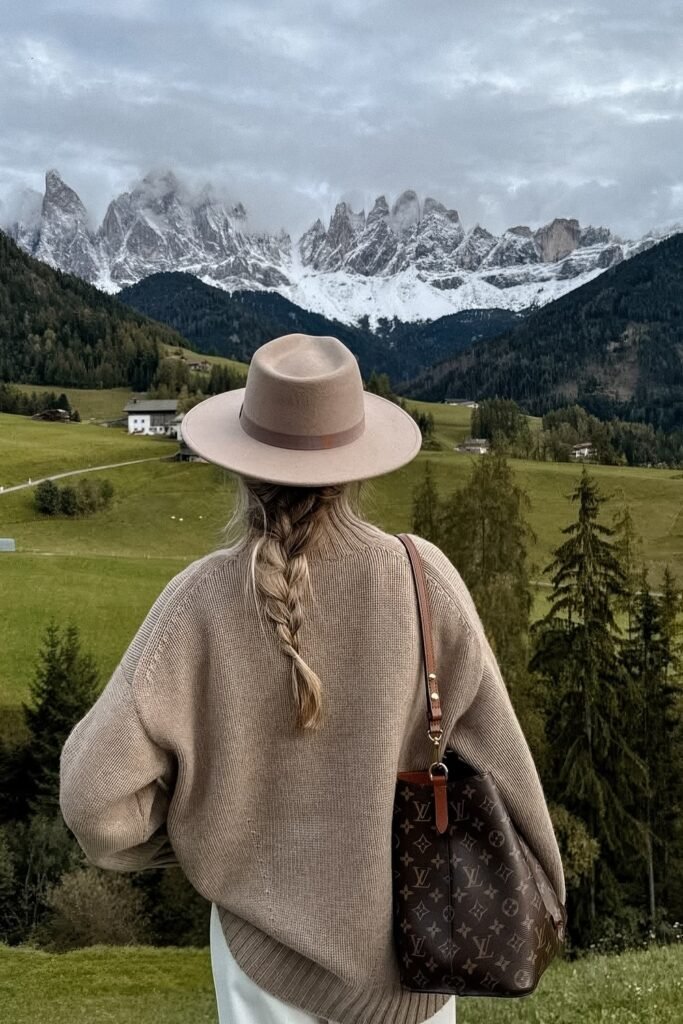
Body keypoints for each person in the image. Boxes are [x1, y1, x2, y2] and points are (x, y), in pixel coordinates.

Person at [59, 333, 566, 1024]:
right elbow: (512, 790)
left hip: (260, 974)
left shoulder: (198, 601)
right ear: (358, 464)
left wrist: (204, 831)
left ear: (240, 464)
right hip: (421, 962)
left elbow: (94, 801)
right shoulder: (424, 582)